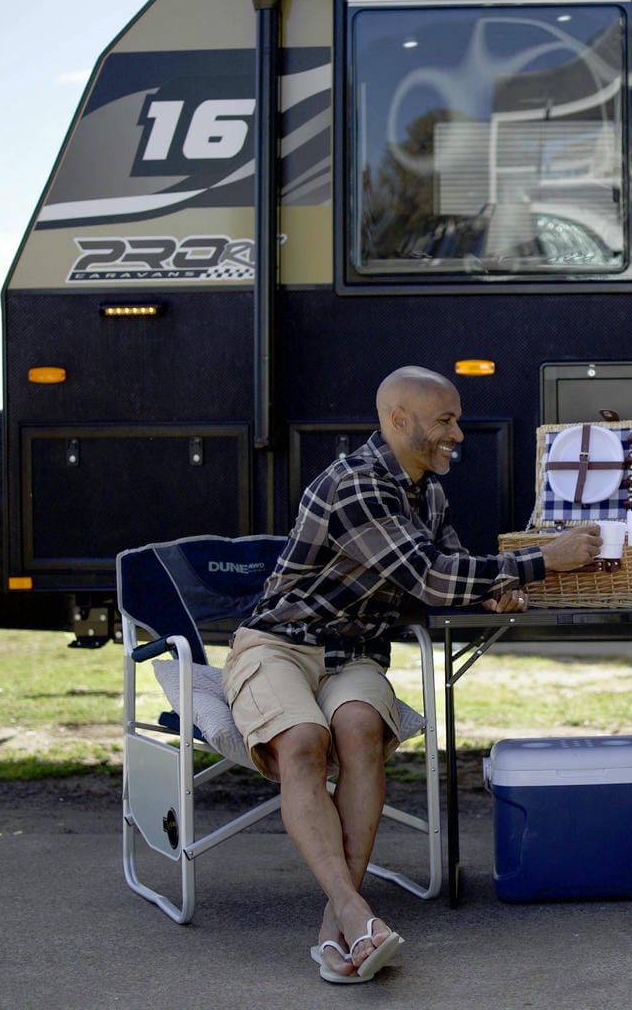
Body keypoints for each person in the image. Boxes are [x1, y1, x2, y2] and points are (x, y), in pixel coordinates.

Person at [224, 366, 600, 982]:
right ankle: (350, 907)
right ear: (399, 421)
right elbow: (427, 578)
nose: (459, 433)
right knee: (303, 742)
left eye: (456, 419)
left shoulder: (426, 488)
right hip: (279, 646)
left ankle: (339, 922)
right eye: (445, 421)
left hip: (356, 654)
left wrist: (492, 591)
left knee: (362, 733)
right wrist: (542, 560)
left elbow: (445, 565)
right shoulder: (356, 484)